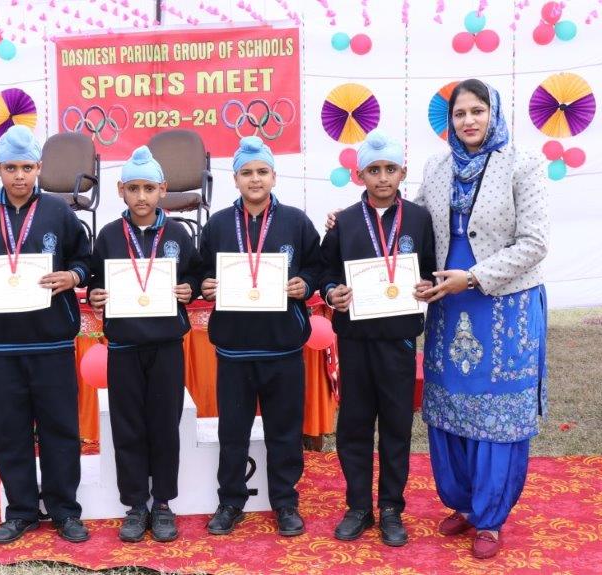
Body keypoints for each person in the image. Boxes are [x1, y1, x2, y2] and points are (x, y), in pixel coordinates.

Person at [412, 79, 549, 560]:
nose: (468, 120)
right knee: (451, 404)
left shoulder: (523, 162)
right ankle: (465, 503)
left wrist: (472, 278)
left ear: (494, 113)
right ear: (449, 121)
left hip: (503, 305)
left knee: (497, 410)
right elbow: (413, 225)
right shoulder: (436, 167)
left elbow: (535, 242)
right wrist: (356, 217)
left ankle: (491, 517)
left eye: (477, 110)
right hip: (448, 306)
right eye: (459, 113)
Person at [0, 125, 92, 544]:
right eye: (11, 167)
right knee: (9, 432)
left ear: (39, 168)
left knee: (59, 429)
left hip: (52, 340)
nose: (19, 175)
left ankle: (64, 510)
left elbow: (85, 257)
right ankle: (21, 511)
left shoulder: (58, 212)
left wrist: (73, 276)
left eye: (27, 167)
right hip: (3, 344)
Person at [198, 136, 322, 537]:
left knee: (284, 431)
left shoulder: (297, 222)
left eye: (262, 172)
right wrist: (205, 285)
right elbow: (200, 270)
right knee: (232, 431)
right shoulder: (218, 224)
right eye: (247, 173)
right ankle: (230, 502)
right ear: (235, 179)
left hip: (283, 345)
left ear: (274, 176)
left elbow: (317, 266)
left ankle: (285, 502)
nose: (255, 179)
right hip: (234, 348)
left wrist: (305, 283)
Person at [319, 129, 435, 546]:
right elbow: (325, 270)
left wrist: (427, 285)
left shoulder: (420, 219)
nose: (382, 177)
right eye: (373, 170)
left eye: (390, 169)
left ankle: (390, 508)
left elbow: (431, 267)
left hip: (398, 340)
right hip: (354, 339)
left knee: (396, 425)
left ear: (402, 172)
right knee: (353, 424)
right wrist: (332, 292)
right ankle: (358, 506)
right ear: (359, 174)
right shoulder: (344, 221)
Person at [87, 145, 202, 543]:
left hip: (166, 344)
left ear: (163, 190)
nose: (141, 196)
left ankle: (164, 503)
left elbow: (195, 276)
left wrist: (189, 289)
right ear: (120, 190)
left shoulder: (178, 234)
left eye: (149, 188)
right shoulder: (108, 236)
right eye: (133, 188)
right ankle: (136, 504)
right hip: (123, 347)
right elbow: (95, 280)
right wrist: (96, 295)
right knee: (128, 426)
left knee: (165, 425)